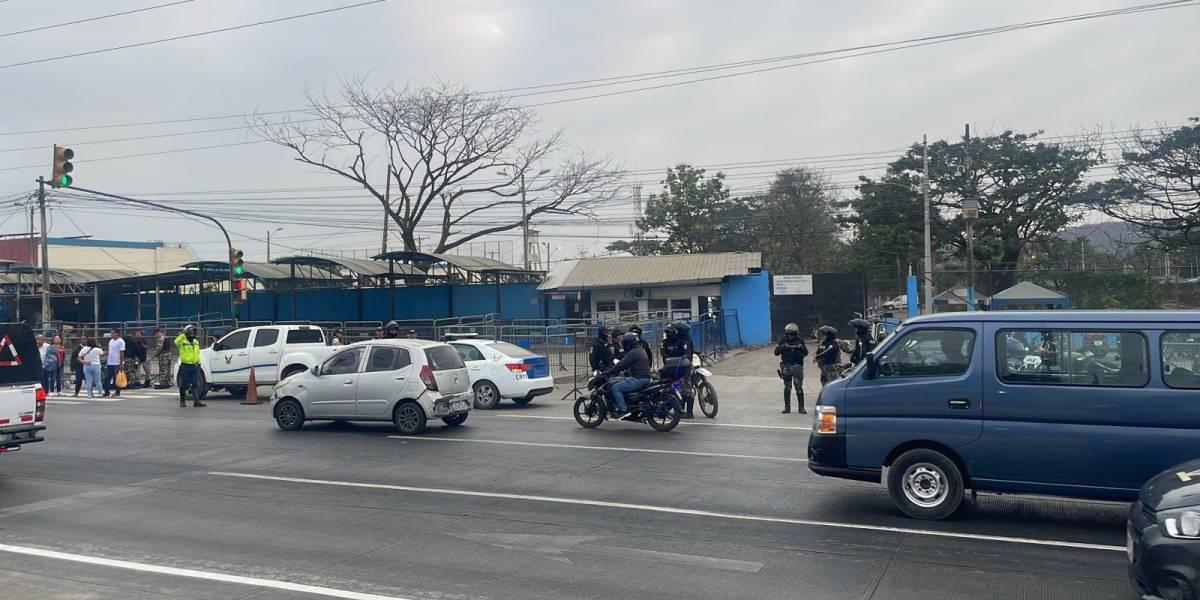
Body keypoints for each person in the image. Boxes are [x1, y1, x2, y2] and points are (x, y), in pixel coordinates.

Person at [602, 332, 651, 418]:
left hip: (638, 378)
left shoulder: (633, 353)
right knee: (620, 381)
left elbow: (621, 365)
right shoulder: (639, 349)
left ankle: (623, 410)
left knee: (616, 388)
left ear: (628, 343)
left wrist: (607, 373)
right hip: (643, 377)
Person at [660, 320, 695, 417]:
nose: (668, 335)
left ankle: (688, 412)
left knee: (685, 389)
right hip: (673, 369)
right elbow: (664, 355)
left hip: (683, 368)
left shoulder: (685, 340)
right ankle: (680, 410)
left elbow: (687, 354)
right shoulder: (666, 342)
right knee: (676, 388)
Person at [774, 323, 809, 414]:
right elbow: (776, 352)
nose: (791, 336)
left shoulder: (799, 340)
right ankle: (787, 407)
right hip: (786, 366)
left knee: (799, 387)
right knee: (787, 387)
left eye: (793, 334)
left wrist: (800, 347)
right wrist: (783, 347)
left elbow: (806, 352)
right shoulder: (783, 340)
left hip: (797, 366)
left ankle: (801, 408)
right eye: (789, 334)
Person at [175, 325, 205, 408]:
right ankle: (182, 401)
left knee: (195, 383)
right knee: (183, 384)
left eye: (193, 333)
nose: (192, 335)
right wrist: (184, 334)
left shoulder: (196, 342)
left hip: (194, 365)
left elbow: (197, 353)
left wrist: (198, 363)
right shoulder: (182, 341)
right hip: (185, 365)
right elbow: (176, 342)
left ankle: (197, 401)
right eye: (190, 333)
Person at [103, 329, 125, 397]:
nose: (111, 334)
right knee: (107, 378)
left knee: (117, 378)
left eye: (113, 333)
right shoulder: (111, 341)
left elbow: (122, 353)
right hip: (110, 362)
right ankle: (107, 392)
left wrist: (122, 363)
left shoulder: (121, 341)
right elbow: (110, 351)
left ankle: (117, 392)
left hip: (117, 363)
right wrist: (105, 353)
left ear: (117, 333)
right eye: (111, 333)